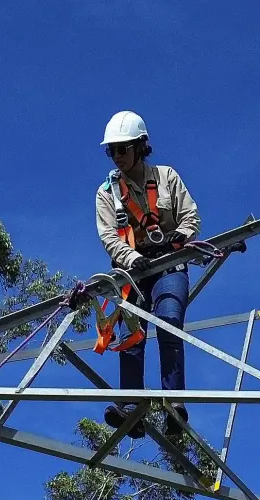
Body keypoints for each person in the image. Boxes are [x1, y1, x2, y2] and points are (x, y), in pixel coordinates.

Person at [95, 110, 200, 438]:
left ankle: (174, 405)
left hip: (169, 264)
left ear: (140, 147)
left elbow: (190, 215)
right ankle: (131, 407)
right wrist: (132, 257)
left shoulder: (167, 177)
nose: (116, 157)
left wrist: (178, 240)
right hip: (132, 272)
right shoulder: (106, 194)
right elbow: (109, 237)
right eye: (111, 151)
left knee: (169, 322)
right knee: (130, 334)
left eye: (122, 149)